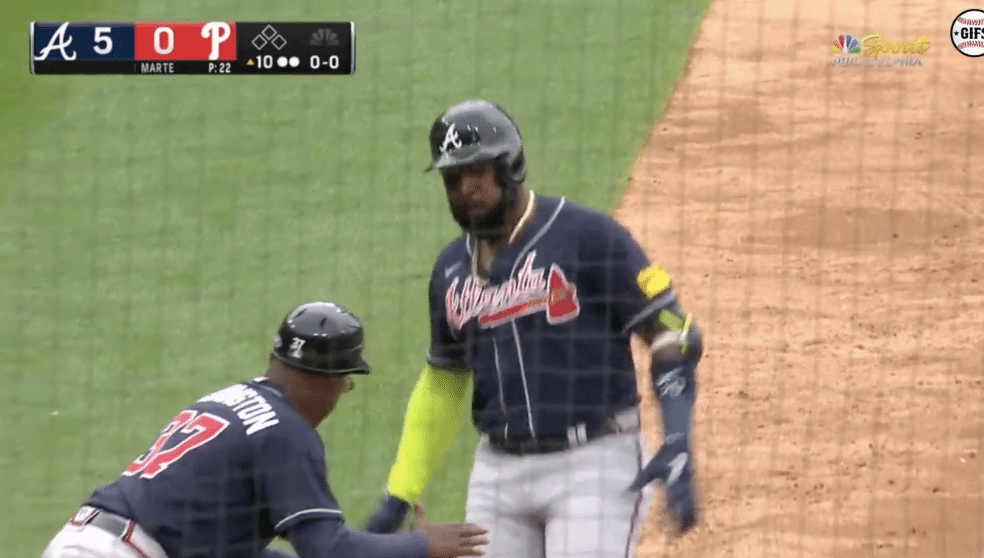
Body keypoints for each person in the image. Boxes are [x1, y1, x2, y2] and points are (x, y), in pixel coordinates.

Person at [362, 99, 705, 558]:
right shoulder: (449, 270)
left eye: (478, 171)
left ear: (512, 165)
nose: (467, 187)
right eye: (453, 177)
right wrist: (399, 493)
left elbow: (674, 330)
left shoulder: (588, 237)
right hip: (498, 473)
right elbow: (444, 381)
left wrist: (677, 436)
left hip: (595, 461)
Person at [41, 301, 489, 558]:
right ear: (332, 379)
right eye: (346, 380)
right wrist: (421, 546)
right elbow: (326, 552)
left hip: (87, 540)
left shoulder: (232, 401)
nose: (344, 392)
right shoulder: (285, 431)